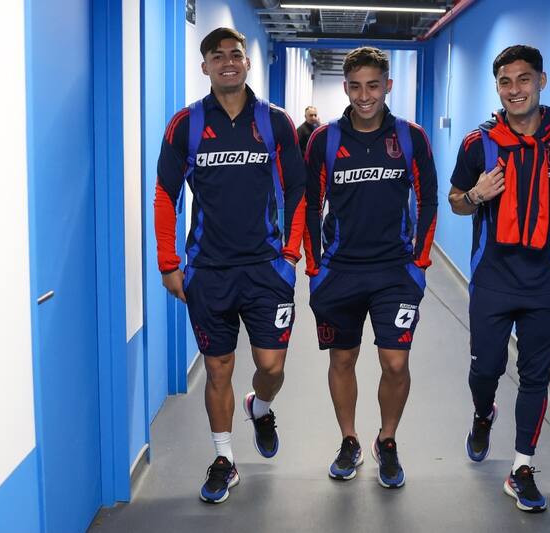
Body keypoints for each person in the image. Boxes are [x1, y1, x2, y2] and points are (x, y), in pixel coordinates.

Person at [154, 27, 306, 504]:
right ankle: (224, 457)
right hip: (209, 270)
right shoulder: (187, 124)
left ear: (246, 62)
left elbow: (298, 192)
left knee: (271, 366)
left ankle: (260, 407)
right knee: (218, 368)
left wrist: (290, 255)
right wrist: (168, 262)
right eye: (216, 56)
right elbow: (165, 195)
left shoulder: (274, 122)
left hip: (266, 268)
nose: (227, 62)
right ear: (205, 66)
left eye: (235, 55)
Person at [448, 45, 550, 512]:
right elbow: (454, 200)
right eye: (506, 81)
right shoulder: (478, 143)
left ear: (542, 82)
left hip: (546, 282)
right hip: (491, 278)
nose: (515, 89)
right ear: (498, 88)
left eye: (524, 79)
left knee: (535, 378)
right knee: (485, 369)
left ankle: (521, 468)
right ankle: (482, 413)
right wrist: (476, 192)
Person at [303, 46, 438, 488]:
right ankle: (349, 440)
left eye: (373, 86)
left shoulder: (411, 138)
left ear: (388, 86)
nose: (365, 96)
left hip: (395, 271)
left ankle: (388, 440)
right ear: (345, 87)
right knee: (343, 358)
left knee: (395, 362)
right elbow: (309, 207)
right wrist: (314, 269)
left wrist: (419, 263)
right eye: (356, 86)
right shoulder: (324, 140)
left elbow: (429, 199)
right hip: (340, 271)